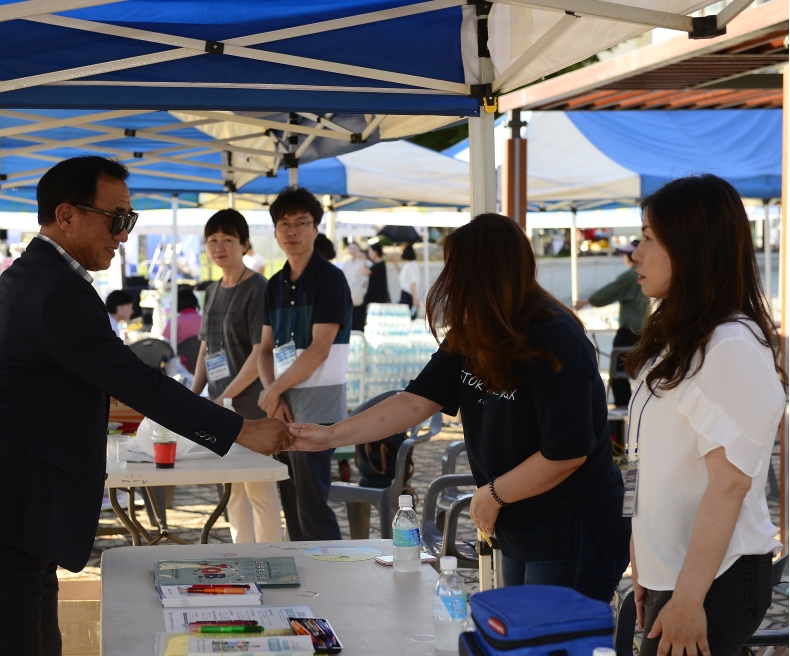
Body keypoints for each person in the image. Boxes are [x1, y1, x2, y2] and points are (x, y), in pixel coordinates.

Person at [0, 156, 292, 656]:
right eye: (117, 219)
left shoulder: (45, 276)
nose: (122, 233)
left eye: (129, 220)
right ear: (67, 215)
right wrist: (241, 431)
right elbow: (138, 383)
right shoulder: (55, 289)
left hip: (11, 510)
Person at [290, 213, 631, 602]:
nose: (449, 281)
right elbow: (415, 401)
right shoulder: (474, 332)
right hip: (520, 521)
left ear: (484, 272)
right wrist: (332, 434)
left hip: (573, 526)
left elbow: (567, 453)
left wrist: (493, 494)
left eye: (456, 268)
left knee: (547, 641)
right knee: (522, 639)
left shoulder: (553, 337)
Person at [625, 175, 785, 656]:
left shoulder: (730, 345)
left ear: (692, 249)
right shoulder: (676, 339)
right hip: (669, 570)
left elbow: (731, 482)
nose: (635, 252)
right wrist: (640, 553)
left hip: (715, 576)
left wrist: (689, 597)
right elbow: (637, 455)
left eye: (650, 238)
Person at [257, 187, 352, 542]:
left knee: (313, 502)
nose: (293, 232)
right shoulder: (274, 284)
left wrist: (273, 390)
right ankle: (303, 573)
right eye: (285, 224)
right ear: (276, 231)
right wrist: (274, 396)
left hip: (318, 404)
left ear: (316, 228)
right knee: (291, 498)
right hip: (282, 404)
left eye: (302, 223)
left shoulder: (330, 279)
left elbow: (319, 349)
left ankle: (332, 575)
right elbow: (265, 349)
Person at [191, 209, 283, 543]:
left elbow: (260, 352)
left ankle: (271, 559)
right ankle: (241, 557)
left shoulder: (259, 288)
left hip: (250, 404)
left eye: (227, 240)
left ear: (244, 245)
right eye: (212, 240)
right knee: (232, 491)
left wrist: (223, 396)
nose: (219, 247)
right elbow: (205, 347)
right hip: (219, 404)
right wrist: (194, 394)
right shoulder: (212, 289)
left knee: (259, 489)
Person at [573, 240, 649, 407]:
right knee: (645, 371)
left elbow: (610, 291)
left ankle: (624, 406)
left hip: (630, 330)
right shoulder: (651, 273)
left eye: (624, 254)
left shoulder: (632, 275)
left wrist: (586, 302)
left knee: (618, 372)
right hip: (647, 331)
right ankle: (639, 405)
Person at [163, 285, 202, 369]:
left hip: (181, 367)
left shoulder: (174, 321)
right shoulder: (205, 320)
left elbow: (164, 345)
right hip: (203, 365)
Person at [342, 241, 371, 332]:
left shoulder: (364, 262)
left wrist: (362, 258)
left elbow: (370, 267)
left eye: (355, 248)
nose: (353, 251)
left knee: (359, 319)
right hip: (349, 294)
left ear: (359, 249)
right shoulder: (347, 262)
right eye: (351, 248)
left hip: (360, 294)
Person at [363, 241, 391, 319]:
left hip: (378, 297)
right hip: (376, 296)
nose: (369, 254)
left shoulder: (379, 264)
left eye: (370, 251)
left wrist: (363, 260)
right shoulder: (377, 264)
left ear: (375, 252)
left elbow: (364, 271)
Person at [398, 243, 420, 319]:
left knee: (406, 317)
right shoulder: (408, 264)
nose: (400, 253)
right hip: (405, 293)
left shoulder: (412, 265)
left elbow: (413, 282)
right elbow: (401, 274)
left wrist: (415, 299)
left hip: (408, 294)